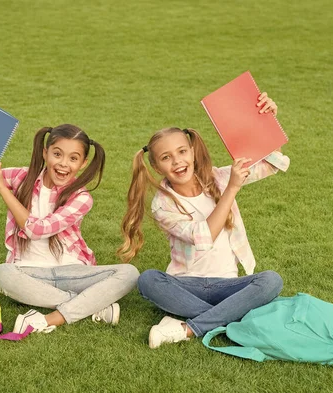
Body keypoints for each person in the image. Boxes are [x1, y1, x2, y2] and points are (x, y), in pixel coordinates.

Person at [117, 93, 289, 348]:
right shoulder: (162, 205)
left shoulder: (218, 178)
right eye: (166, 158)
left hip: (228, 283)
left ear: (193, 152)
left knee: (271, 280)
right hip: (186, 284)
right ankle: (230, 317)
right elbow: (204, 236)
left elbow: (272, 163)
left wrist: (266, 121)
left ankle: (188, 327)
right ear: (155, 166)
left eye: (182, 151)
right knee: (148, 280)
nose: (177, 161)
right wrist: (231, 190)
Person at [0, 123, 139, 334]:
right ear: (45, 153)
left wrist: (2, 188)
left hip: (72, 272)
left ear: (83, 163)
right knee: (2, 274)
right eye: (57, 154)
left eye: (73, 158)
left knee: (130, 273)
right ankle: (92, 306)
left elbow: (36, 229)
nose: (64, 164)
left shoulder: (81, 198)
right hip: (29, 273)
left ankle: (50, 318)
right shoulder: (21, 178)